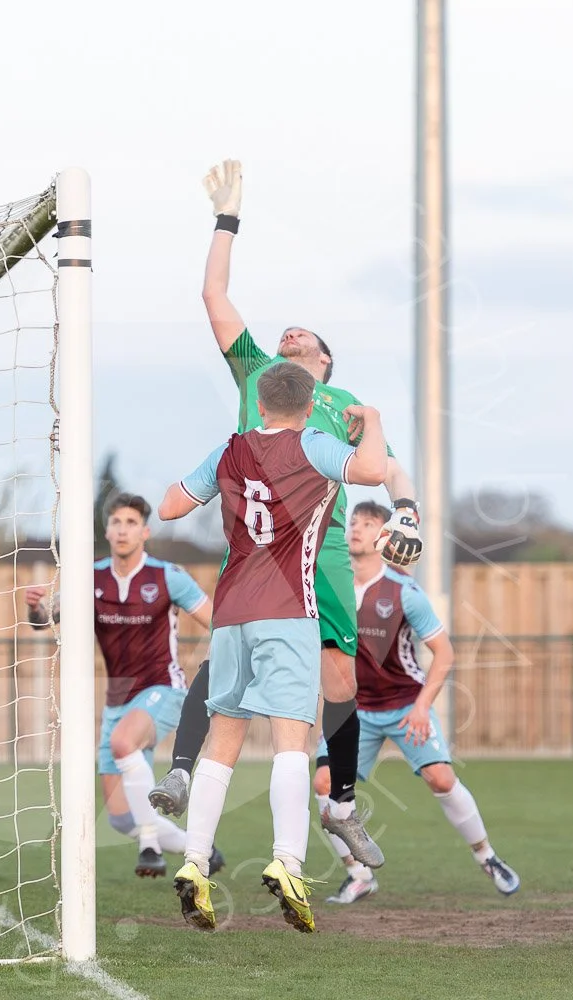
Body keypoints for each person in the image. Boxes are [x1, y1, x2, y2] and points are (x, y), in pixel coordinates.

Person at [149, 159, 421, 871]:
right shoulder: (261, 377)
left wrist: (409, 512)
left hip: (318, 554)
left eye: (307, 334)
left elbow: (384, 468)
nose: (291, 333)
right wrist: (227, 219)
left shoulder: (339, 405)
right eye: (287, 332)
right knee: (233, 669)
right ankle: (186, 771)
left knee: (340, 684)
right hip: (257, 546)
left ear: (325, 363)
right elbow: (213, 293)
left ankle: (340, 806)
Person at [158, 361, 387, 933]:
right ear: (310, 406)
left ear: (260, 405)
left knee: (224, 736)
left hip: (231, 609)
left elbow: (170, 507)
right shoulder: (316, 443)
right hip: (288, 610)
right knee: (294, 737)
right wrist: (374, 420)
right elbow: (373, 469)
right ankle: (287, 862)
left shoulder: (232, 448)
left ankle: (193, 861)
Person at [315, 503, 520, 904]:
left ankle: (487, 856)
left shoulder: (404, 592)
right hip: (354, 710)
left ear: (384, 536)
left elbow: (444, 654)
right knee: (324, 784)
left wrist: (423, 707)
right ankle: (358, 875)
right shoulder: (330, 587)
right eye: (352, 522)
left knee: (441, 779)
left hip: (405, 704)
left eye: (368, 523)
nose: (355, 528)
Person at [25, 492, 223, 878]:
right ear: (107, 529)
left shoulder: (167, 576)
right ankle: (200, 849)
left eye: (131, 523)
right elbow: (43, 619)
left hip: (163, 689)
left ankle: (150, 848)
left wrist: (226, 665)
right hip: (118, 699)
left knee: (122, 743)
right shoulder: (91, 577)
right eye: (116, 522)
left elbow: (217, 622)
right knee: (119, 819)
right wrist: (35, 607)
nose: (122, 529)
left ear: (145, 532)